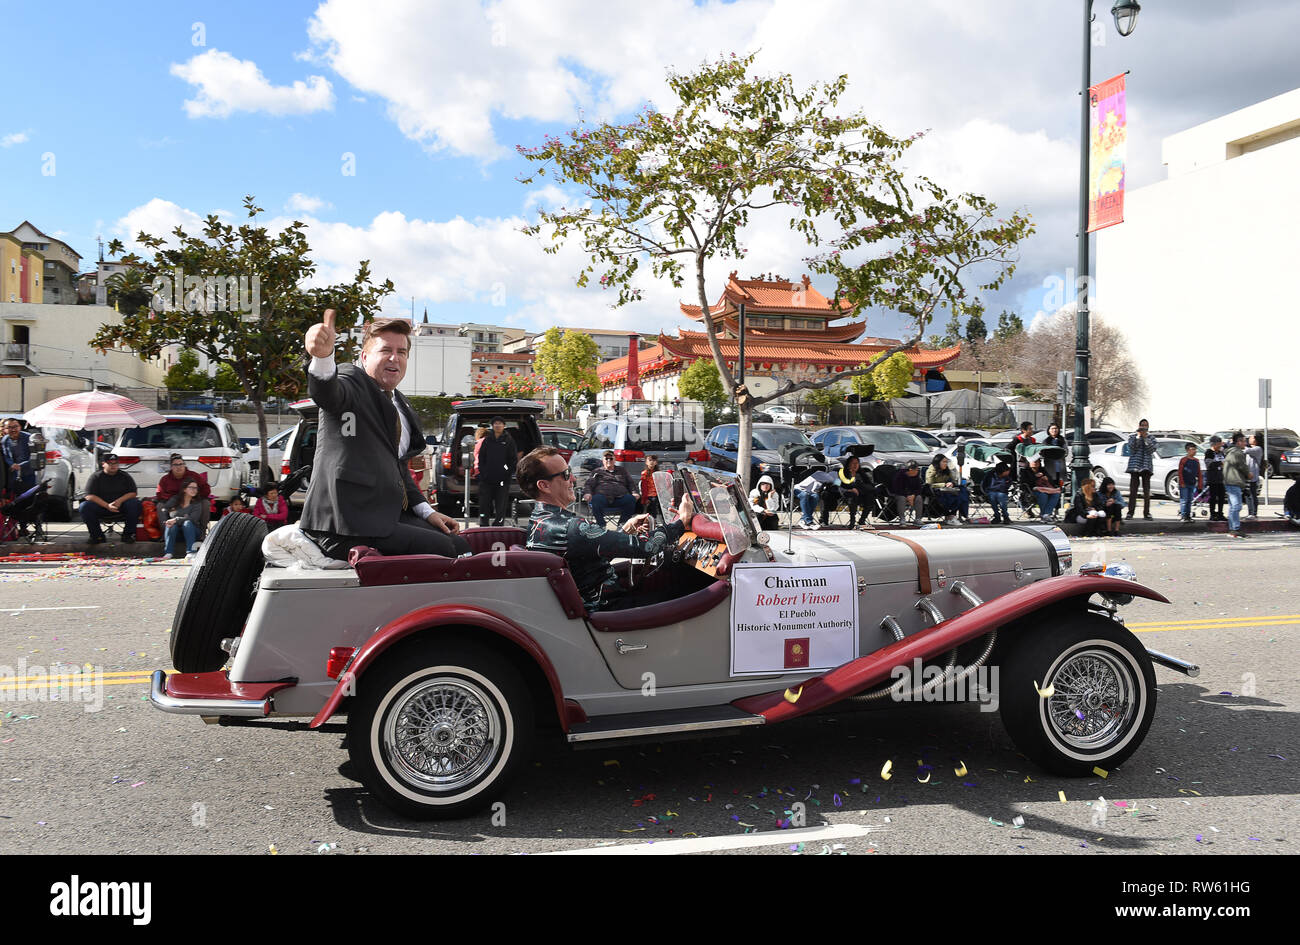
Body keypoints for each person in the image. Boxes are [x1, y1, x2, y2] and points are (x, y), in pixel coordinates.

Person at [300, 310, 469, 560]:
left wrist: (426, 512)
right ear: (365, 356)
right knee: (445, 551)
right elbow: (328, 392)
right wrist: (323, 358)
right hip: (343, 527)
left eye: (402, 352)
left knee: (461, 546)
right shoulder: (352, 380)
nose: (394, 358)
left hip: (386, 520)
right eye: (385, 350)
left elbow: (398, 467)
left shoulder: (401, 403)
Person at [520, 446, 694, 613]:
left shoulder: (538, 521)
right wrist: (681, 521)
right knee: (689, 589)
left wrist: (625, 531)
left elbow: (582, 553)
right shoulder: (571, 527)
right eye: (566, 474)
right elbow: (647, 547)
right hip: (608, 608)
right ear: (544, 485)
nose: (573, 479)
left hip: (591, 603)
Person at [80, 454, 142, 545]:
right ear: (103, 464)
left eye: (116, 463)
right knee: (84, 506)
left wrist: (119, 501)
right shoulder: (96, 477)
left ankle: (128, 535)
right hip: (102, 506)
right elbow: (89, 496)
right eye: (110, 463)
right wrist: (107, 505)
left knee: (134, 504)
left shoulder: (125, 476)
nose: (113, 466)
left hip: (120, 507)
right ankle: (97, 536)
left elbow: (133, 493)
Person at [476, 416, 517, 527]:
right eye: (495, 423)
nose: (498, 425)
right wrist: (483, 472)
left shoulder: (509, 440)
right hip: (487, 478)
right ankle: (483, 523)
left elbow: (513, 459)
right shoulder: (487, 440)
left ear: (504, 426)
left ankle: (498, 524)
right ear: (492, 426)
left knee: (501, 504)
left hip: (503, 479)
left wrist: (507, 472)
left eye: (500, 423)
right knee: (484, 503)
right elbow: (481, 458)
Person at [583, 450, 638, 527]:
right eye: (606, 459)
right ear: (603, 460)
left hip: (620, 498)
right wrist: (587, 493)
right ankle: (601, 525)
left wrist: (634, 492)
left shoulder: (622, 470)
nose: (608, 460)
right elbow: (588, 484)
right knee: (595, 499)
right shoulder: (597, 471)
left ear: (615, 460)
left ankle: (622, 525)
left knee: (631, 499)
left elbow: (630, 483)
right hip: (603, 498)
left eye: (611, 459)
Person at [160, 479, 209, 558]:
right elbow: (164, 509)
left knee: (187, 523)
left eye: (196, 488)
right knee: (171, 524)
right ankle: (168, 552)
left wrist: (176, 519)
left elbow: (193, 519)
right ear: (184, 489)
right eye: (191, 487)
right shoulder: (175, 499)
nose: (194, 490)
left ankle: (191, 552)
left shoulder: (197, 503)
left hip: (193, 532)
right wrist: (167, 520)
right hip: (177, 533)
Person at [1125, 419, 1157, 520]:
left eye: (1146, 426)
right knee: (1133, 491)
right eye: (1142, 426)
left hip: (1146, 466)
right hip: (1135, 466)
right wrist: (1139, 437)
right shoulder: (1132, 437)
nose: (1144, 428)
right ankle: (1130, 512)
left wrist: (1145, 438)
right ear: (1139, 426)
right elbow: (1132, 448)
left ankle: (1146, 513)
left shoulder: (1152, 438)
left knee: (1146, 492)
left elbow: (1151, 450)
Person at [925, 454, 970, 525]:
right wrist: (943, 484)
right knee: (949, 497)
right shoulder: (931, 470)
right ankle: (949, 516)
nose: (945, 463)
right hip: (936, 491)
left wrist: (951, 482)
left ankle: (955, 515)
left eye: (946, 462)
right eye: (944, 462)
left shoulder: (946, 470)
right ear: (938, 462)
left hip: (947, 489)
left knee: (962, 491)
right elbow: (929, 484)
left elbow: (954, 479)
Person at [834, 455, 875, 529]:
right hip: (847, 495)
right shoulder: (841, 473)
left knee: (870, 496)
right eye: (853, 463)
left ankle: (862, 520)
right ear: (848, 464)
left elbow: (870, 485)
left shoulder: (862, 474)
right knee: (852, 496)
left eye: (857, 463)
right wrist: (849, 490)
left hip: (861, 495)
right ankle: (852, 520)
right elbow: (837, 486)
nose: (855, 465)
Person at [1223, 431, 1250, 538]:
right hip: (1234, 482)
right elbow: (1242, 466)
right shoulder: (1237, 453)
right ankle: (1235, 528)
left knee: (1232, 506)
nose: (1245, 443)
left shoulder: (1231, 452)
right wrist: (1248, 474)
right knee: (1236, 506)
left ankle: (1232, 528)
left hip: (1230, 481)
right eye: (1244, 441)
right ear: (1238, 442)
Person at [1, 419, 36, 495]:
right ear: (5, 429)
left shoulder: (29, 438)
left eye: (15, 427)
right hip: (13, 475)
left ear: (20, 427)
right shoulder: (5, 440)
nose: (13, 429)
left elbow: (34, 456)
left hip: (28, 474)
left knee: (29, 496)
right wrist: (12, 464)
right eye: (9, 427)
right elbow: (6, 455)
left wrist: (20, 465)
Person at [1177, 442, 1204, 523]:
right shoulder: (1184, 460)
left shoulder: (1196, 461)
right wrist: (1181, 482)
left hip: (1192, 483)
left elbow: (1199, 473)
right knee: (1184, 500)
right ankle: (1183, 515)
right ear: (1187, 450)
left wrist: (1200, 484)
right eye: (1192, 449)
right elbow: (1180, 472)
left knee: (1189, 500)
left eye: (1195, 449)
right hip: (1184, 483)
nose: (1194, 451)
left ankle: (1188, 516)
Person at [1029, 458, 1062, 522]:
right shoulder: (1025, 471)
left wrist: (1047, 479)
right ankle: (1044, 514)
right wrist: (1035, 477)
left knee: (1056, 494)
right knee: (1043, 495)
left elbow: (1050, 481)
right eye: (1033, 462)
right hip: (1032, 490)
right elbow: (1025, 482)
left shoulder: (1042, 470)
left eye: (1037, 462)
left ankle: (1046, 514)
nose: (1035, 463)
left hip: (1046, 488)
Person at [892, 460, 923, 525]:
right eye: (916, 470)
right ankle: (902, 518)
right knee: (902, 498)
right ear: (910, 470)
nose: (917, 471)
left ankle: (918, 518)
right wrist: (907, 496)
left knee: (919, 498)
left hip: (912, 494)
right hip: (900, 494)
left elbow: (919, 488)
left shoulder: (916, 476)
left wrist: (913, 495)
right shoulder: (899, 475)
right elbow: (897, 489)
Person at [1204, 437, 1226, 522]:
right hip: (1213, 478)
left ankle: (1220, 513)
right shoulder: (1209, 453)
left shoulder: (1221, 453)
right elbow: (1209, 464)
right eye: (1219, 443)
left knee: (1221, 497)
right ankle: (1212, 513)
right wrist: (1220, 463)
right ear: (1214, 444)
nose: (1220, 445)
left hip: (1221, 478)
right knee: (1213, 497)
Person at [1244, 432, 1264, 519]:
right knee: (1247, 495)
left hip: (1253, 476)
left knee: (1252, 494)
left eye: (1251, 437)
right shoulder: (1251, 448)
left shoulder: (1258, 449)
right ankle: (1250, 512)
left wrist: (1241, 444)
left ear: (1255, 440)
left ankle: (1254, 513)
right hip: (1247, 475)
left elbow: (1246, 450)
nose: (1249, 439)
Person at [640, 455, 661, 520]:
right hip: (649, 495)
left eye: (654, 460)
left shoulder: (658, 473)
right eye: (650, 460)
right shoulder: (644, 473)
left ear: (656, 462)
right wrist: (644, 498)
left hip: (658, 494)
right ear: (646, 462)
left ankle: (664, 520)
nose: (652, 462)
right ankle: (653, 519)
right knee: (653, 501)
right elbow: (644, 487)